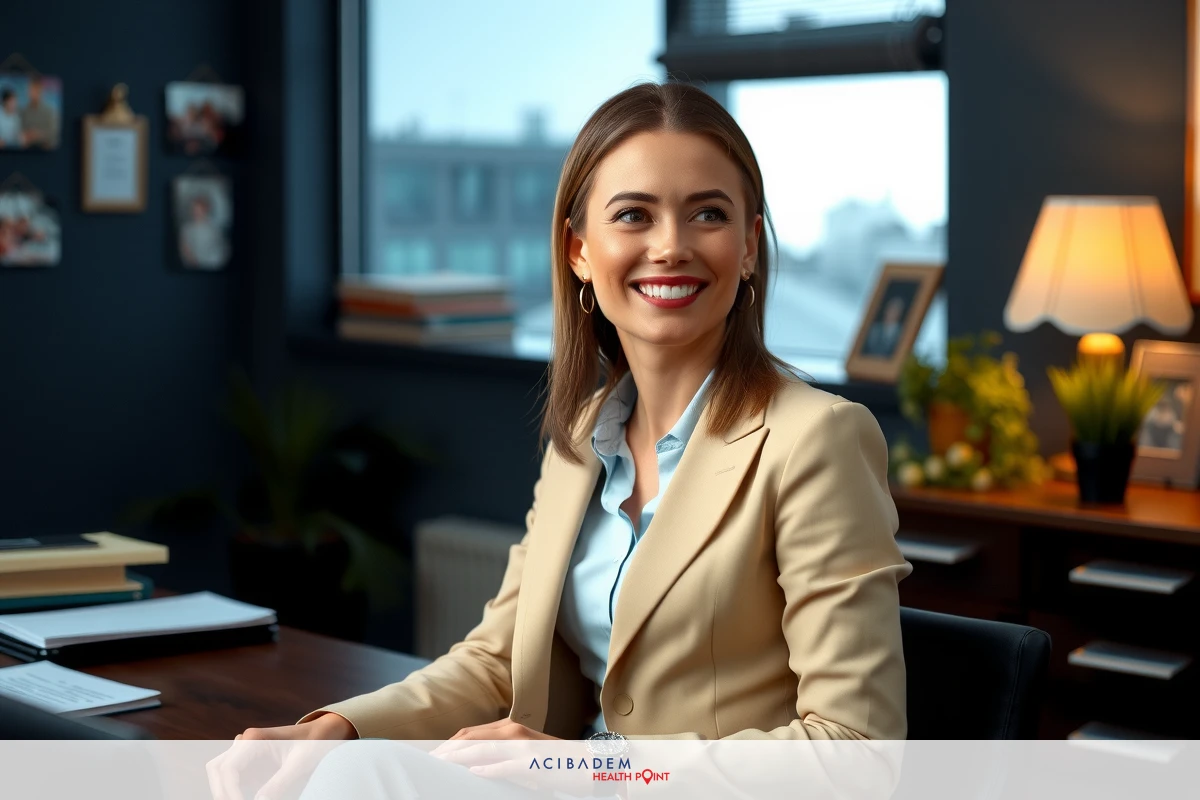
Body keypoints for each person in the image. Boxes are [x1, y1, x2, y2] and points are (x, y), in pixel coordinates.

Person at [225, 80, 910, 793]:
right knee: (332, 775)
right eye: (634, 215)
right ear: (580, 250)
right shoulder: (585, 435)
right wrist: (341, 726)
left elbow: (854, 751)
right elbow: (498, 659)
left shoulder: (818, 440)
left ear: (748, 248)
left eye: (708, 213)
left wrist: (582, 764)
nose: (671, 246)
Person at [179, 192, 228, 269]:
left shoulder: (214, 229)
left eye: (199, 210)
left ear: (205, 210)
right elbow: (184, 249)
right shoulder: (186, 228)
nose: (196, 212)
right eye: (194, 209)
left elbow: (220, 251)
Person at [862, 294, 907, 358]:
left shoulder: (901, 333)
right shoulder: (875, 329)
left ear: (899, 314)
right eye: (889, 309)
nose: (890, 313)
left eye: (894, 310)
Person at [19, 77, 59, 149]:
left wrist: (39, 135)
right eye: (31, 90)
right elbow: (18, 130)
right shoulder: (23, 111)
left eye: (36, 90)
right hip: (26, 149)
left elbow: (54, 133)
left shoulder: (49, 111)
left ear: (41, 92)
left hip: (45, 149)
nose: (33, 93)